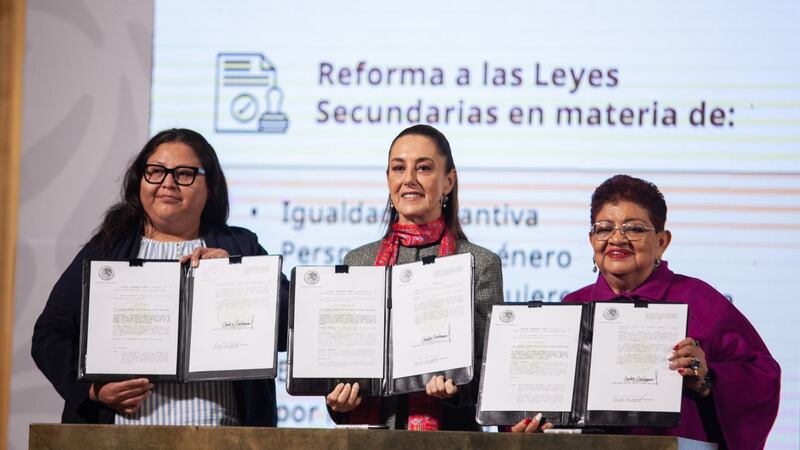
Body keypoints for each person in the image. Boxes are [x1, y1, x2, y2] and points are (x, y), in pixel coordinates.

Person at [32, 128, 288, 426]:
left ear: (211, 187)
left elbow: (288, 330)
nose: (168, 183)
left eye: (184, 174)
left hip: (221, 436)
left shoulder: (240, 247)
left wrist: (238, 275)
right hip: (119, 438)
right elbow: (50, 334)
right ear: (139, 180)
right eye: (155, 171)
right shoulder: (107, 250)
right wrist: (93, 390)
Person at [511, 174, 781, 450]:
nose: (617, 239)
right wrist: (528, 424)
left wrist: (708, 378)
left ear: (662, 242)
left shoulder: (699, 300)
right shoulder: (572, 306)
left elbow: (762, 380)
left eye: (635, 229)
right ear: (592, 240)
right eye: (604, 228)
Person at [325, 124, 503, 431]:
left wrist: (457, 390)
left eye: (423, 168)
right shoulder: (358, 262)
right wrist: (339, 402)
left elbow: (494, 375)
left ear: (448, 181)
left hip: (449, 439)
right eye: (398, 168)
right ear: (388, 179)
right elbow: (343, 370)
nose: (408, 179)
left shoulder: (480, 263)